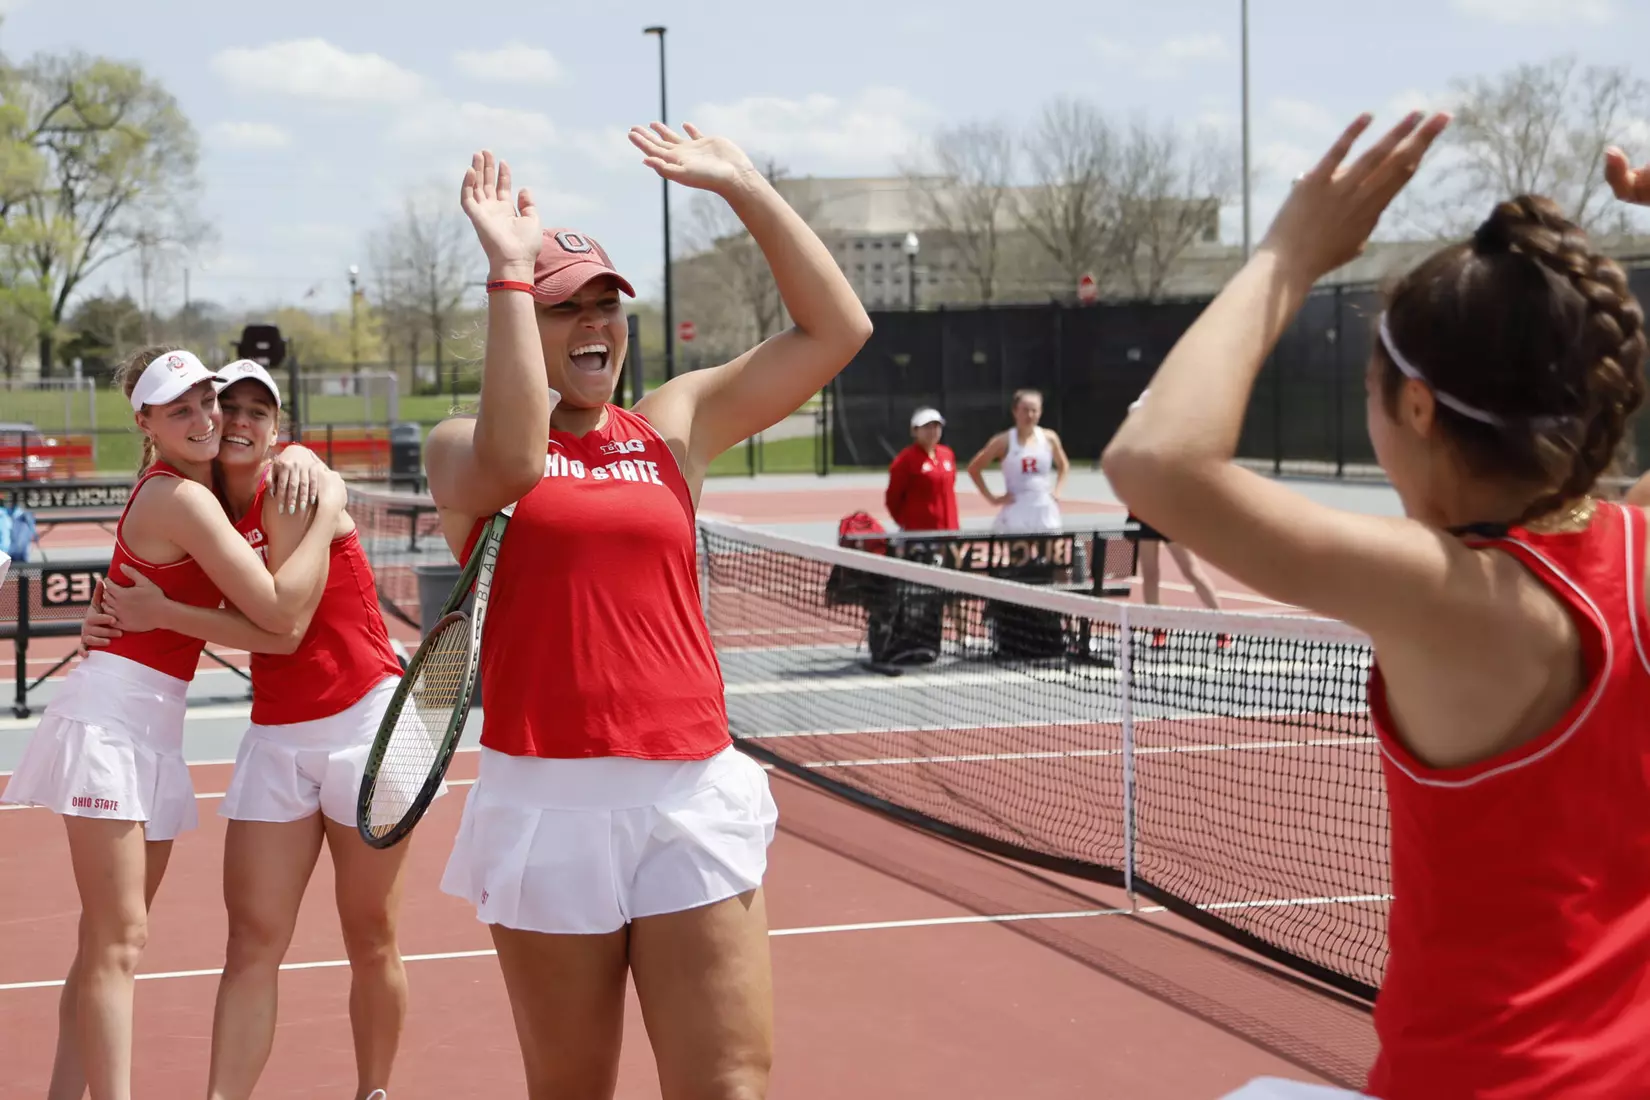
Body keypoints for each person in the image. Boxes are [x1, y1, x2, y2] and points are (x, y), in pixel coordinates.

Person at [1104, 108, 1650, 1095]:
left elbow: (1155, 463)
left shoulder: (1448, 592)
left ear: (1417, 406)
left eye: (1372, 389)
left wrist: (1288, 254)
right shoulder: (1638, 547)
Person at [425, 131, 870, 1099]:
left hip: (689, 788)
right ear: (522, 317)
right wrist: (508, 271)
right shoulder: (458, 446)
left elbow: (837, 330)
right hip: (547, 799)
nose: (595, 323)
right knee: (573, 1087)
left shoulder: (675, 422)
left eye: (606, 304)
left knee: (728, 1083)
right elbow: (514, 461)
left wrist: (745, 187)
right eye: (564, 307)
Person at [1, 346, 345, 1100]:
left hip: (151, 725)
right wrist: (331, 509)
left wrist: (305, 463)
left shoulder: (195, 488)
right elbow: (278, 612)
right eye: (180, 409)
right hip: (112, 721)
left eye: (206, 402)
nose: (204, 419)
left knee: (104, 942)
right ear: (145, 423)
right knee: (119, 941)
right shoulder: (182, 498)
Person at [80, 359, 410, 1100]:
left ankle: (374, 1091)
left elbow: (285, 627)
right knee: (252, 942)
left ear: (277, 428)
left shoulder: (293, 484)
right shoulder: (197, 503)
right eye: (228, 406)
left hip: (363, 722)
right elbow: (149, 575)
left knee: (370, 935)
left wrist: (329, 503)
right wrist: (104, 618)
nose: (238, 421)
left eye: (259, 411)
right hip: (279, 734)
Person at [967, 388, 1070, 533]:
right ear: (1015, 411)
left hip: (1044, 507)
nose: (1030, 415)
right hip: (1017, 507)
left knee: (1055, 547)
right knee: (1019, 547)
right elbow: (974, 468)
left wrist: (1057, 491)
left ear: (1040, 412)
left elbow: (1063, 465)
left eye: (1034, 410)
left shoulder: (1049, 438)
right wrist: (992, 499)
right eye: (1025, 410)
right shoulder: (1003, 441)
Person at [884, 406, 959, 535]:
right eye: (927, 427)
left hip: (950, 528)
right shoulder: (906, 459)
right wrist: (906, 522)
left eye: (936, 426)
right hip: (920, 531)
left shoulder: (947, 454)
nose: (932, 431)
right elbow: (893, 497)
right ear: (914, 431)